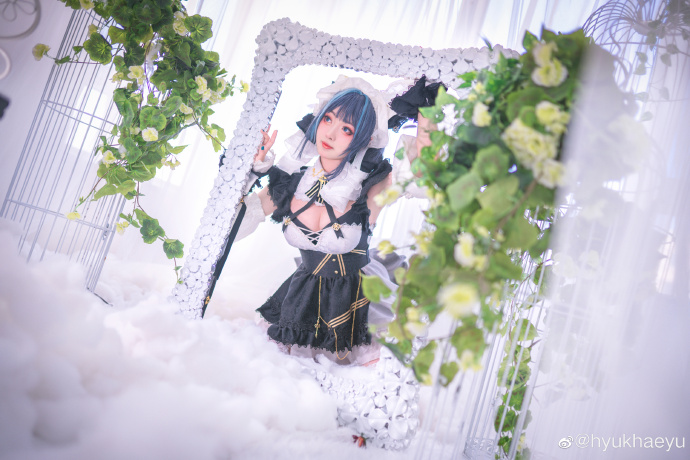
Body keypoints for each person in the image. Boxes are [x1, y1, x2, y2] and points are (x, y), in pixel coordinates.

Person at [239, 76, 440, 365]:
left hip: (357, 307)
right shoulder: (291, 183)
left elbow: (420, 175)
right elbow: (235, 224)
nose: (330, 134)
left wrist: (427, 113)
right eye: (328, 119)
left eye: (347, 129)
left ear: (366, 139)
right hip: (298, 301)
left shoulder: (371, 187)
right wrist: (250, 172)